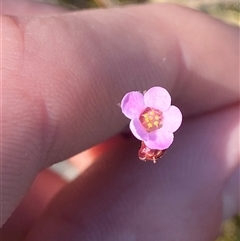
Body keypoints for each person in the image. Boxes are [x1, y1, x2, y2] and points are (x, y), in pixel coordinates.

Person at [1, 1, 239, 240]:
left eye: (154, 118)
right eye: (150, 118)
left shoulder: (157, 119)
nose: (153, 118)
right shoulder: (137, 113)